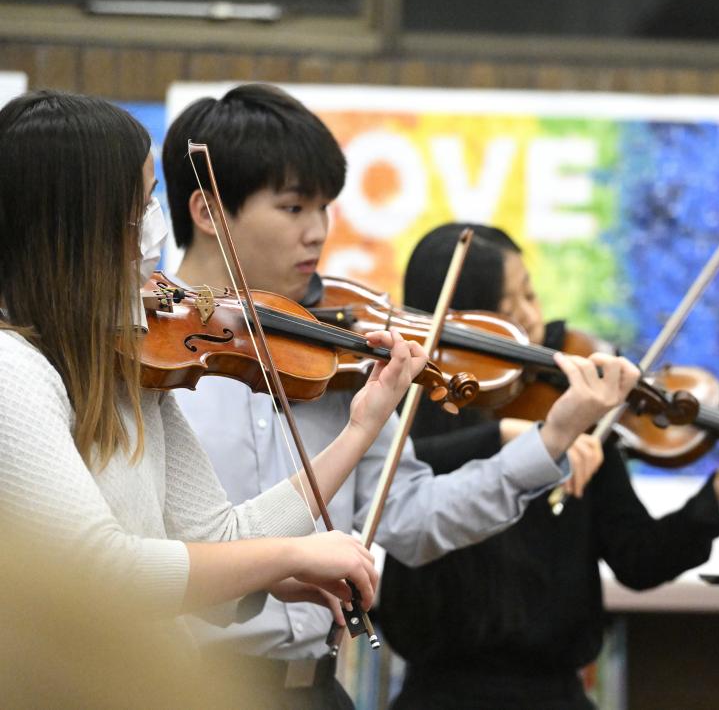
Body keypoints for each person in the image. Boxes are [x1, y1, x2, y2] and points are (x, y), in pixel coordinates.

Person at [161, 83, 640, 708]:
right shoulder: (148, 361)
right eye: (294, 208)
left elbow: (415, 521)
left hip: (316, 690)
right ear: (209, 212)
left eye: (326, 208)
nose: (319, 233)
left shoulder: (336, 357)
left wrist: (552, 437)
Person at [0, 89, 434, 657]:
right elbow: (99, 572)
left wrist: (360, 427)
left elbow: (219, 536)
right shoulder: (14, 371)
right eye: (140, 207)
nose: (154, 229)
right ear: (76, 225)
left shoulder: (127, 368)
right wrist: (291, 555)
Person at [377, 222, 719, 710]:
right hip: (437, 697)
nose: (536, 320)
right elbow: (383, 482)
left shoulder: (571, 408)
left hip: (557, 695)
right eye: (511, 307)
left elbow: (639, 560)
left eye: (531, 295)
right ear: (464, 320)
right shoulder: (404, 412)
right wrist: (509, 436)